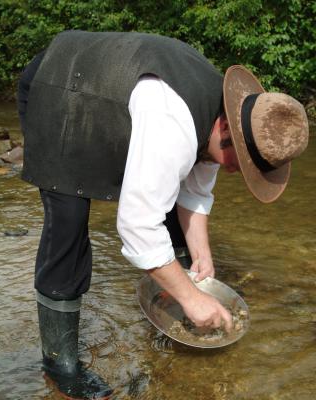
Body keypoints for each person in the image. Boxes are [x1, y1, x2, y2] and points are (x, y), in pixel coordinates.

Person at [17, 30, 309, 400]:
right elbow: (136, 224)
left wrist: (201, 255)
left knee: (170, 209)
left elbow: (196, 189)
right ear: (226, 129)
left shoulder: (225, 119)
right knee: (69, 223)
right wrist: (192, 298)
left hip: (108, 96)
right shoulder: (176, 123)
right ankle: (60, 366)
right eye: (243, 163)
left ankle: (173, 291)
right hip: (59, 86)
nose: (240, 172)